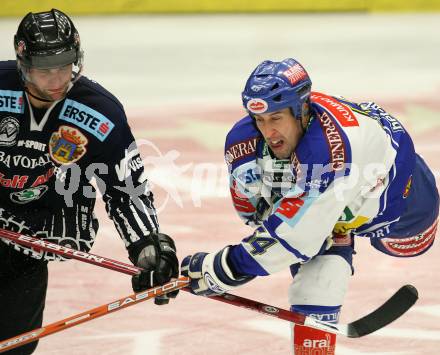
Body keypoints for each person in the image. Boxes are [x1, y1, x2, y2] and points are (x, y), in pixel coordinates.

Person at [182, 58, 439, 354]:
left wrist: (223, 267)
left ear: (302, 110)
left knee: (409, 245)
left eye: (276, 118)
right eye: (260, 121)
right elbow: (257, 215)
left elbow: (293, 239)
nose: (268, 132)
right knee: (317, 280)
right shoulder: (243, 143)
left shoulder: (331, 150)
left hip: (398, 199)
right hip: (327, 193)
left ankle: (326, 223)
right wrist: (277, 234)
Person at [0, 9, 179, 355]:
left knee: (14, 347)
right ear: (23, 63)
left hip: (28, 239)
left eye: (64, 64)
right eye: (43, 67)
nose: (55, 78)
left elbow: (126, 188)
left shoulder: (100, 112)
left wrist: (149, 247)